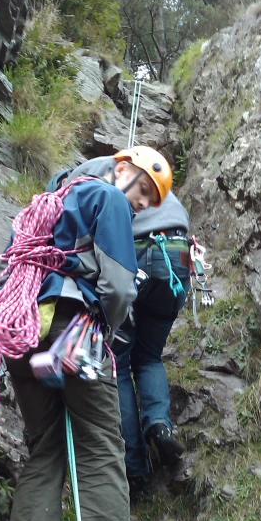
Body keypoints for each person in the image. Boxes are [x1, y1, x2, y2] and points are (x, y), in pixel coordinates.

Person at [0, 146, 173, 521]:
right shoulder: (106, 199)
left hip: (23, 330)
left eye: (149, 201)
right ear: (121, 169)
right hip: (73, 331)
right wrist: (105, 333)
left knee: (44, 450)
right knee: (102, 448)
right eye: (141, 190)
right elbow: (119, 287)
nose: (139, 204)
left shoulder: (47, 200)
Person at [64, 153, 191, 498]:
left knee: (118, 361)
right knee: (150, 355)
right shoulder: (163, 193)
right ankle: (159, 425)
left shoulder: (104, 176)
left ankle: (134, 468)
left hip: (139, 251)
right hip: (178, 258)